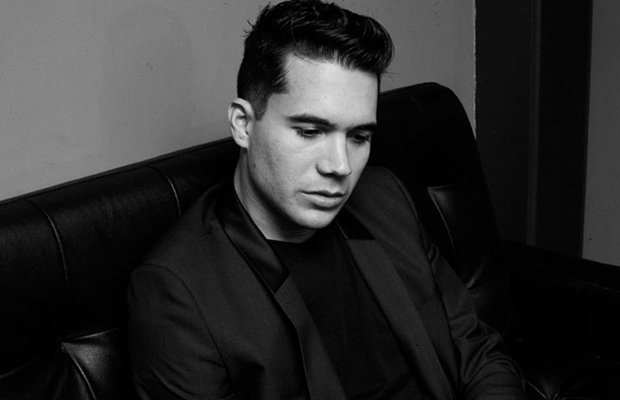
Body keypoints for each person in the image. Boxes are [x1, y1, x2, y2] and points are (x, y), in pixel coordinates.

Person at [128, 1, 527, 399]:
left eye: (358, 137)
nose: (340, 166)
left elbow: (478, 354)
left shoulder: (385, 198)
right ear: (243, 124)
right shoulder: (177, 292)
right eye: (310, 131)